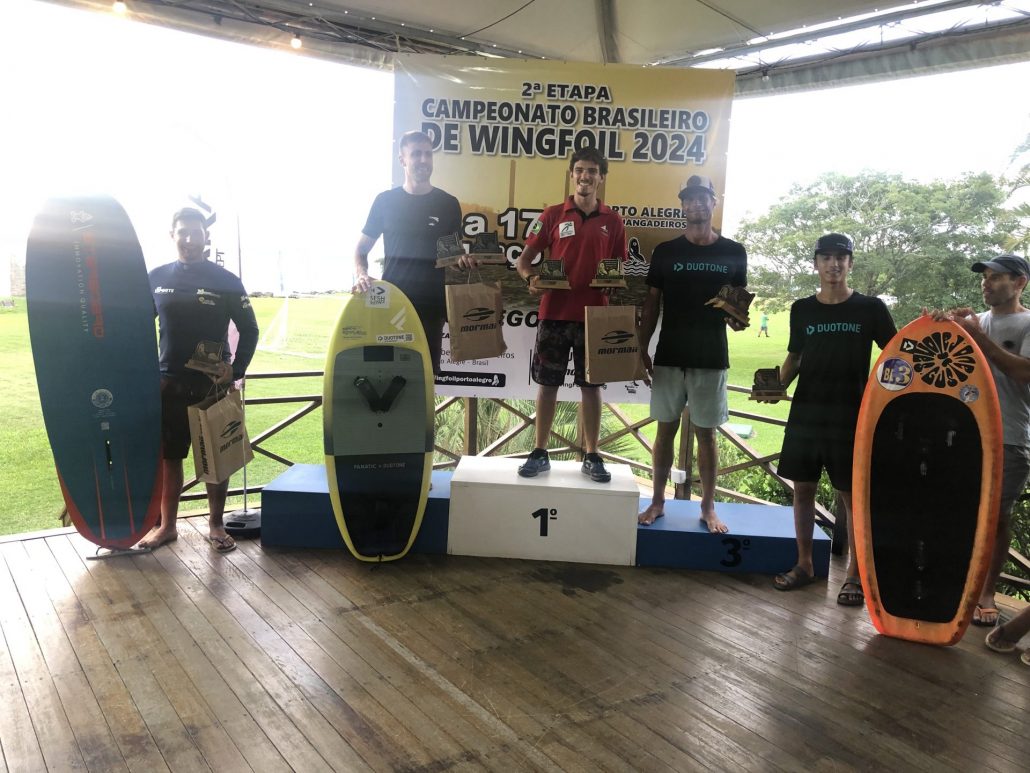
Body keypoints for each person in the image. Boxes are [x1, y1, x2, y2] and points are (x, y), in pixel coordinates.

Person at [763, 233, 896, 602]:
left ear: (850, 263)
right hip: (806, 413)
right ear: (816, 264)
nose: (833, 264)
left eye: (841, 257)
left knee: (851, 496)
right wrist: (775, 387)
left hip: (850, 416)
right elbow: (795, 357)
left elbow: (897, 352)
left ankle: (854, 575)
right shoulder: (802, 309)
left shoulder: (870, 308)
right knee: (803, 489)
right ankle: (805, 564)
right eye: (826, 257)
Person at [138, 207, 259, 552]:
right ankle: (167, 527)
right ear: (172, 235)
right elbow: (138, 329)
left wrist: (236, 369)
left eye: (196, 232)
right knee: (171, 458)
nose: (189, 239)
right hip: (169, 384)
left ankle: (216, 525)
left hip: (212, 386)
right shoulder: (156, 277)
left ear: (206, 236)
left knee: (217, 458)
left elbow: (250, 329)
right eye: (183, 232)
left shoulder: (226, 281)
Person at [637, 175, 748, 533]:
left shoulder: (734, 252)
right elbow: (651, 303)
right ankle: (657, 501)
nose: (697, 204)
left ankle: (708, 507)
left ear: (713, 203)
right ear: (682, 206)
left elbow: (737, 306)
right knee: (664, 432)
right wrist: (641, 347)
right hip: (669, 355)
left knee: (707, 436)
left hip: (711, 357)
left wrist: (737, 320)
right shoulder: (666, 251)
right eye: (690, 199)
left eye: (703, 198)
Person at [514, 147, 627, 483]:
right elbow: (523, 261)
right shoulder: (552, 215)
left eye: (592, 170)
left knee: (591, 388)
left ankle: (592, 455)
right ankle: (539, 452)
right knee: (547, 385)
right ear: (572, 174)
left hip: (594, 318)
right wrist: (530, 279)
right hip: (554, 314)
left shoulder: (613, 221)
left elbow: (617, 268)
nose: (585, 176)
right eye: (579, 170)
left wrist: (613, 286)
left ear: (601, 177)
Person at [938, 254, 1030, 627]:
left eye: (996, 277)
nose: (986, 283)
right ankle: (961, 586)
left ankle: (987, 593)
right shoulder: (978, 321)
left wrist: (977, 336)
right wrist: (945, 327)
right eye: (985, 277)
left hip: (1009, 438)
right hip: (966, 434)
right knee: (960, 513)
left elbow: (1023, 373)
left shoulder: (1027, 323)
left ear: (1020, 282)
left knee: (995, 519)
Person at [354, 130, 468, 374]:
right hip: (392, 302)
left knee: (426, 377)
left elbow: (453, 255)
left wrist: (462, 260)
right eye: (416, 154)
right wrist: (361, 274)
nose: (423, 160)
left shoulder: (448, 203)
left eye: (428, 154)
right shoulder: (385, 201)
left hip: (432, 307)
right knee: (388, 374)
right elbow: (361, 249)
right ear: (402, 160)